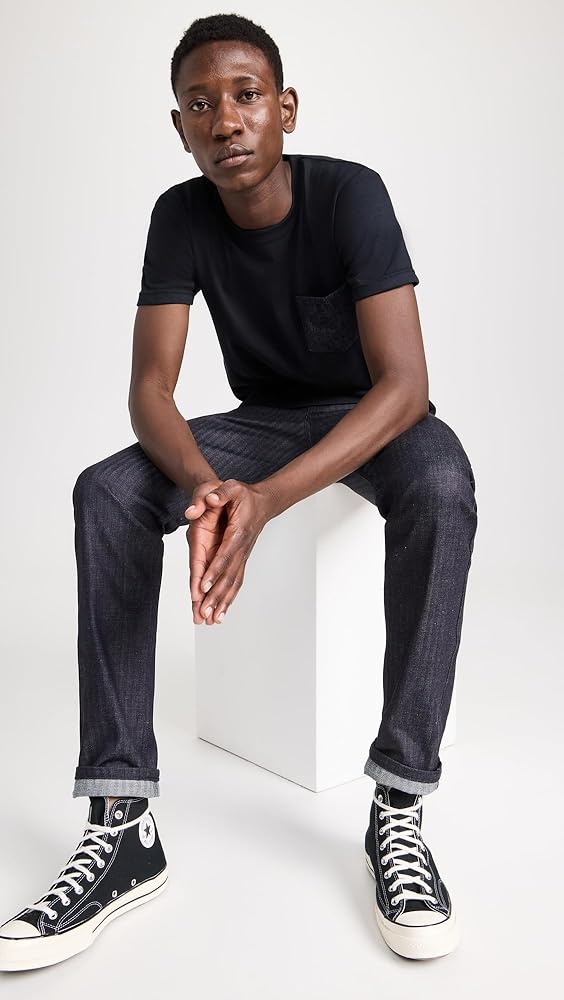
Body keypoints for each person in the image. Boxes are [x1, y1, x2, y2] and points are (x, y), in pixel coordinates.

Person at [0, 12, 478, 971]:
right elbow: (151, 388)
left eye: (246, 96)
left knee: (442, 487)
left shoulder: (350, 195)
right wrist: (211, 487)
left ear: (285, 109)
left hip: (374, 421)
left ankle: (399, 803)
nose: (225, 120)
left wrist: (265, 504)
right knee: (105, 493)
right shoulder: (179, 215)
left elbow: (405, 385)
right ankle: (122, 822)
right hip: (263, 423)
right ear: (178, 126)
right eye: (200, 104)